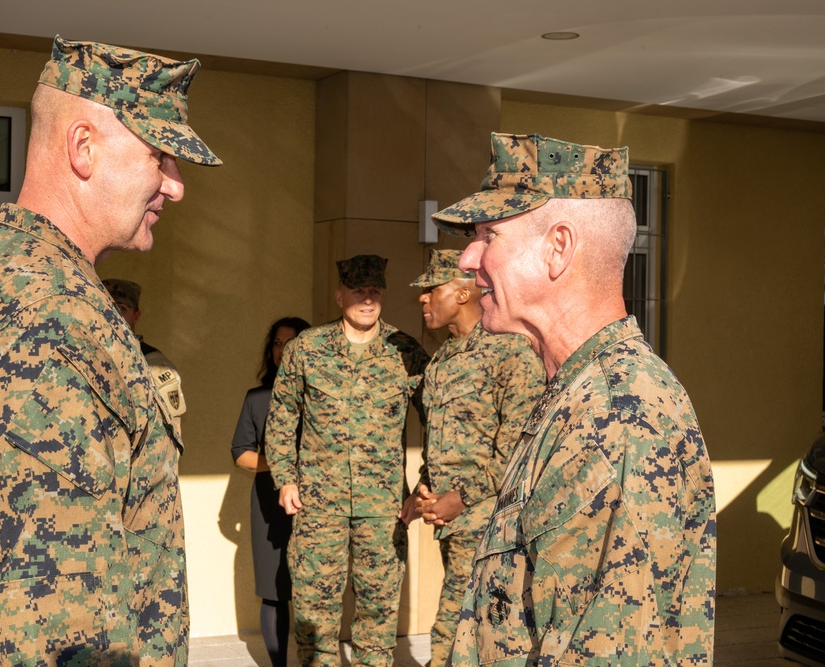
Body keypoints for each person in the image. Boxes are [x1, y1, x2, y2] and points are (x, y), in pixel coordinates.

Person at [0, 35, 220, 665]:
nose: (175, 188)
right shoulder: (45, 313)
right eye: (161, 158)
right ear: (83, 147)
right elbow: (64, 614)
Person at [434, 133, 716, 666]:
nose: (468, 258)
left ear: (558, 247)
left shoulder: (616, 413)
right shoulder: (578, 391)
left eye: (488, 236)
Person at [265, 254, 430, 667]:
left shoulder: (405, 352)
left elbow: (439, 419)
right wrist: (285, 478)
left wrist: (426, 482)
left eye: (375, 290)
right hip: (319, 505)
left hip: (383, 507)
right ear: (340, 296)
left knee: (377, 613)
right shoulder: (307, 349)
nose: (367, 299)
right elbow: (283, 415)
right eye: (359, 291)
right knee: (314, 615)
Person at [399, 248, 544, 667]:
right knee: (471, 624)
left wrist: (459, 498)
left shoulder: (510, 352)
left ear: (463, 293)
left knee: (456, 626)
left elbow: (519, 448)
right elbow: (439, 436)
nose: (423, 300)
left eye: (431, 291)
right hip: (453, 520)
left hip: (492, 517)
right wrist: (424, 490)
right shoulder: (443, 359)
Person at [231, 316, 311, 667]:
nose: (282, 350)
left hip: (317, 503)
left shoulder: (324, 394)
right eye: (277, 343)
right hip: (269, 503)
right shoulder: (258, 397)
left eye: (290, 342)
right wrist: (281, 464)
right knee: (275, 592)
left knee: (314, 591)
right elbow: (241, 453)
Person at [104, 278, 187, 450]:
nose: (114, 316)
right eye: (106, 308)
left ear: (136, 316)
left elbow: (169, 440)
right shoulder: (88, 357)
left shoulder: (154, 365)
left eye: (121, 308)